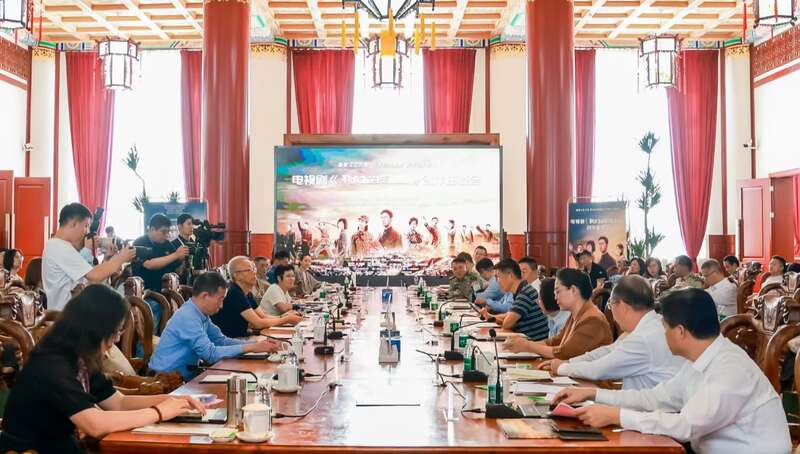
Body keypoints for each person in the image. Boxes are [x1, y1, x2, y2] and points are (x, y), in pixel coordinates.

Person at [553, 288, 791, 454]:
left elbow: (685, 426)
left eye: (665, 327)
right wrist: (593, 394)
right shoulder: (700, 359)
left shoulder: (729, 370)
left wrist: (617, 416)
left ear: (681, 331)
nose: (662, 333)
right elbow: (657, 397)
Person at [0, 284, 205, 454]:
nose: (114, 340)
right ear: (95, 329)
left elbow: (118, 403)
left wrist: (171, 401)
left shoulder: (80, 356)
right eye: (115, 332)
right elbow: (95, 425)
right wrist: (159, 412)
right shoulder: (53, 364)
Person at [541, 275, 684, 390]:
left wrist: (562, 368)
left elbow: (599, 369)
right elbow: (610, 351)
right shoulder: (651, 324)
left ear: (622, 305)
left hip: (650, 412)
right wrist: (569, 362)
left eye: (610, 304)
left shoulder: (643, 337)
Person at [149, 272, 281, 380]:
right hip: (165, 382)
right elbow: (210, 354)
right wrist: (251, 347)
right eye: (220, 299)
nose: (222, 306)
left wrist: (257, 344)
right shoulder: (188, 316)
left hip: (185, 377)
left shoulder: (200, 314)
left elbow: (221, 340)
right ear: (205, 296)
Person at [43, 203, 136, 311]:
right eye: (86, 226)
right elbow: (95, 275)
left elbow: (90, 280)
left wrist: (107, 260)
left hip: (70, 311)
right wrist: (121, 258)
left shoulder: (58, 245)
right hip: (66, 314)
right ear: (74, 224)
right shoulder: (59, 246)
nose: (87, 232)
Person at [505, 268, 612, 359]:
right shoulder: (575, 314)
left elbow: (564, 353)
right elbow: (553, 342)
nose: (555, 297)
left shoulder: (593, 320)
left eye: (557, 291)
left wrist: (528, 346)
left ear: (573, 290)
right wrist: (521, 344)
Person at [211, 257, 302, 338]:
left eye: (254, 269)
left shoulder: (247, 293)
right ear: (236, 275)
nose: (254, 272)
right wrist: (286, 319)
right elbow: (258, 323)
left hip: (242, 336)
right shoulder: (234, 292)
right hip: (229, 341)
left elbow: (263, 316)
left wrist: (283, 317)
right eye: (249, 270)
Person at [492, 259, 549, 341]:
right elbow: (510, 314)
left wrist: (508, 321)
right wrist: (492, 317)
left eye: (498, 277)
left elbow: (507, 324)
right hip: (528, 342)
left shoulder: (525, 293)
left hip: (535, 344)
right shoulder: (522, 290)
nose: (497, 281)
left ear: (510, 276)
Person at [132, 214, 188, 292]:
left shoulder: (167, 244)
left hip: (166, 290)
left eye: (168, 232)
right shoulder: (139, 242)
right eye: (164, 232)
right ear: (152, 229)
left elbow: (177, 267)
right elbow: (149, 264)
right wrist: (176, 255)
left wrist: (182, 259)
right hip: (144, 291)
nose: (167, 235)